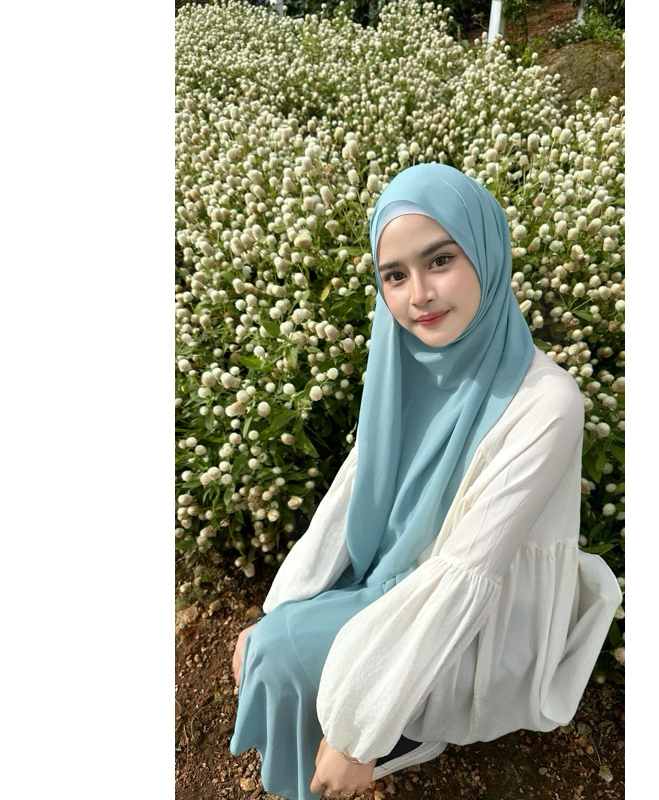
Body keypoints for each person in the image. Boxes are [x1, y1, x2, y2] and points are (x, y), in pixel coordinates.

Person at [229, 163, 621, 800]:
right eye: (395, 275)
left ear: (487, 252)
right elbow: (354, 493)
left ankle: (392, 735)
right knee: (272, 643)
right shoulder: (408, 359)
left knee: (282, 656)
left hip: (474, 617)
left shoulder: (548, 402)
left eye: (440, 260)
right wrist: (281, 604)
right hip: (395, 569)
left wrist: (359, 731)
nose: (419, 295)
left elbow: (467, 574)